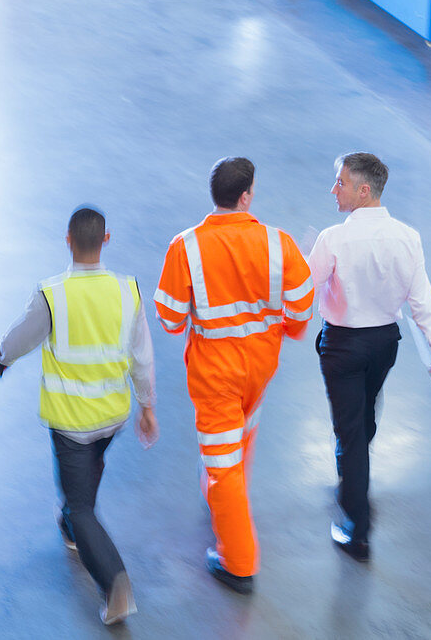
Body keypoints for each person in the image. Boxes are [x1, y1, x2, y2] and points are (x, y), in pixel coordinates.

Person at [0, 205, 159, 625]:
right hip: (113, 416)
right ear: (106, 240)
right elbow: (143, 356)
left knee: (82, 504)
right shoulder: (127, 290)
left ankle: (115, 582)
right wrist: (148, 407)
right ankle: (70, 525)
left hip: (70, 420)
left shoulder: (53, 293)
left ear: (68, 240)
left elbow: (21, 338)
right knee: (88, 471)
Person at [153, 157, 314, 594]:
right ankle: (223, 499)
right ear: (246, 196)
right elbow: (301, 308)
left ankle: (238, 563)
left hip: (215, 374)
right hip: (259, 368)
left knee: (221, 464)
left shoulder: (185, 246)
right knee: (244, 431)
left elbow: (169, 317)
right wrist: (281, 328)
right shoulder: (278, 243)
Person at [307, 152, 431, 562]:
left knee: (350, 433)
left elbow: (300, 290)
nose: (334, 190)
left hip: (343, 346)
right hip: (385, 344)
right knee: (364, 416)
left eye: (341, 183)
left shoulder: (333, 239)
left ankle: (357, 530)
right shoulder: (408, 237)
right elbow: (421, 300)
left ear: (363, 190)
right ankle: (352, 475)